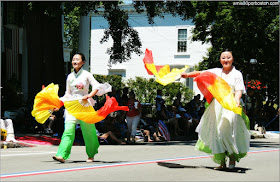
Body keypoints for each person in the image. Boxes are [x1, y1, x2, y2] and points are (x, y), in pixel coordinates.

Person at [181, 50, 250, 170]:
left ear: (232, 59)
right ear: (220, 60)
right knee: (217, 132)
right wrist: (187, 75)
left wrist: (237, 99)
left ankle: (232, 157)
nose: (226, 60)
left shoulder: (237, 74)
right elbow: (201, 73)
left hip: (231, 105)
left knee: (228, 131)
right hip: (217, 106)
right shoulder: (216, 72)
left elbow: (239, 90)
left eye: (228, 57)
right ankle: (222, 161)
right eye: (223, 58)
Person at [53, 53, 107, 163]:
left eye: (77, 59)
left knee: (89, 132)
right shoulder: (70, 77)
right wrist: (59, 103)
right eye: (73, 59)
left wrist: (89, 95)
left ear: (83, 62)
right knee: (68, 130)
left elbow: (96, 86)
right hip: (72, 106)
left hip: (84, 106)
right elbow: (67, 94)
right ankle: (62, 155)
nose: (75, 61)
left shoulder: (87, 75)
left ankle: (91, 154)